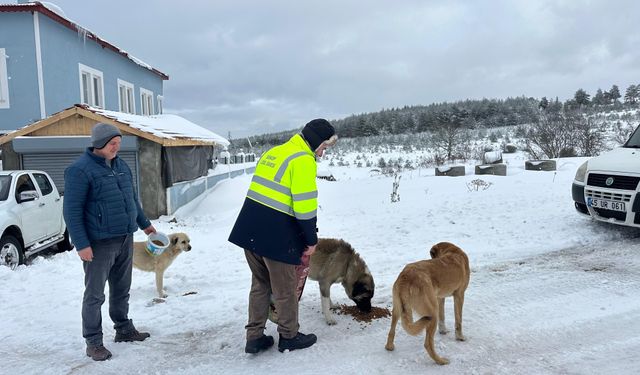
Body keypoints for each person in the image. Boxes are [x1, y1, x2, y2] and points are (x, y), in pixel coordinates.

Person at [229, 118, 338, 354]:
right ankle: (289, 336)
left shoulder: (276, 152)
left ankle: (254, 337)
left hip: (250, 230)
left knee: (260, 284)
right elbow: (305, 207)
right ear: (317, 140)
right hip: (277, 235)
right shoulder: (303, 160)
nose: (323, 153)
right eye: (325, 146)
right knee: (286, 288)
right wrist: (310, 240)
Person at [63, 122, 156, 361]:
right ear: (99, 144)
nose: (117, 147)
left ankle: (123, 329)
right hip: (99, 242)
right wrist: (81, 244)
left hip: (125, 236)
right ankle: (93, 342)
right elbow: (72, 211)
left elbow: (132, 199)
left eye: (118, 143)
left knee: (122, 289)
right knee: (95, 294)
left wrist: (145, 225)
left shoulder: (121, 165)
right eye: (112, 143)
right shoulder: (80, 170)